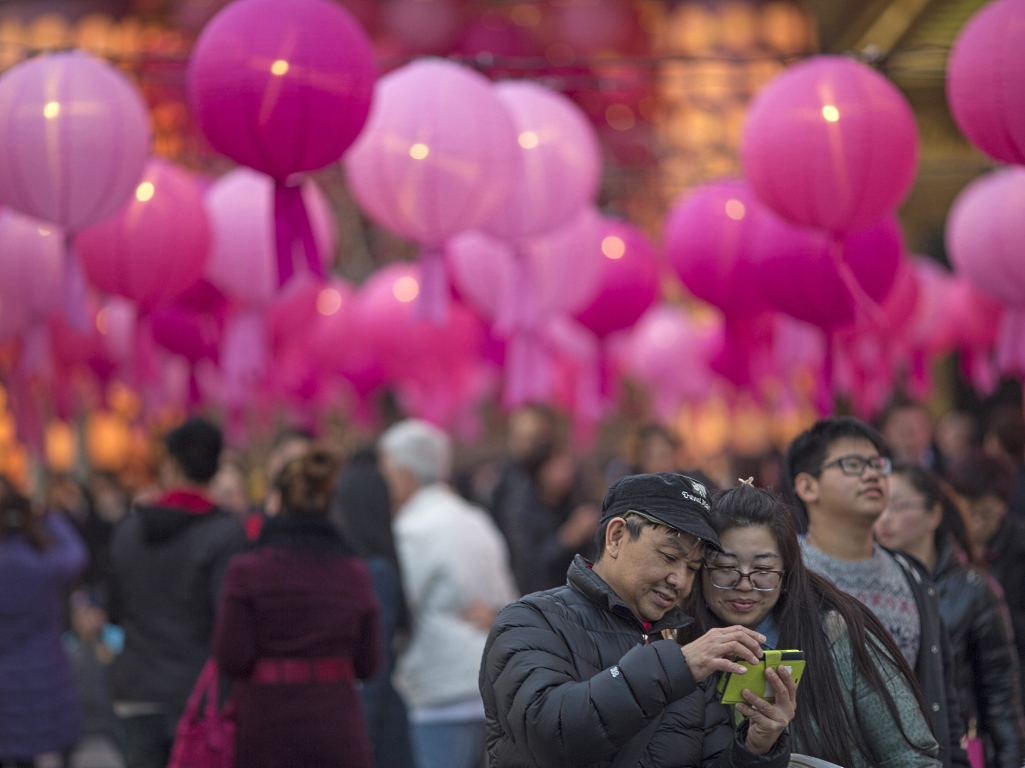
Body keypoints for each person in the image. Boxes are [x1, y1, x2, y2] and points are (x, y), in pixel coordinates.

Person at [480, 472, 795, 768]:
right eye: (670, 557)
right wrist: (675, 667)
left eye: (693, 568)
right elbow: (550, 731)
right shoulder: (530, 621)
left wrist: (757, 746)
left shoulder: (686, 650)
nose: (680, 581)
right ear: (616, 536)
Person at [687, 482, 941, 767]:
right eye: (726, 568)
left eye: (763, 570)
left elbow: (910, 755)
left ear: (787, 571)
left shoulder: (838, 631)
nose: (745, 585)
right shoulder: (681, 647)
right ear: (699, 568)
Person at [784, 416, 967, 768]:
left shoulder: (911, 575)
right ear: (807, 487)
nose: (872, 475)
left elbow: (942, 694)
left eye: (877, 464)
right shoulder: (787, 573)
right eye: (852, 464)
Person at [214, 446, 382, 768]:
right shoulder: (353, 573)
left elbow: (232, 657)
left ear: (276, 500)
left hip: (267, 726)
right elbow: (369, 663)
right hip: (337, 725)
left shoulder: (247, 571)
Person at [108, 417, 247, 768]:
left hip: (137, 689)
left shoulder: (127, 532)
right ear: (216, 467)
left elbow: (114, 610)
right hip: (199, 696)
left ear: (170, 463)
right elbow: (229, 622)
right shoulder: (227, 535)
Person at [378, 419, 517, 768]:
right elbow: (509, 601)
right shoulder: (476, 519)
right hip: (489, 683)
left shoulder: (412, 529)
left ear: (405, 474)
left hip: (439, 692)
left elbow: (399, 605)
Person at [875, 463, 1025, 768]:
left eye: (899, 506)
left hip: (958, 749)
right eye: (879, 506)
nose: (884, 518)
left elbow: (1001, 698)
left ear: (934, 514)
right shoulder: (874, 588)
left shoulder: (974, 589)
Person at [333, 447, 417, 768]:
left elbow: (374, 670)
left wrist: (359, 738)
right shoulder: (374, 567)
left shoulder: (373, 573)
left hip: (376, 726)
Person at [0, 484, 87, 768]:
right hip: (46, 664)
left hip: (6, 670)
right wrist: (49, 517)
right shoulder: (42, 563)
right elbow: (76, 553)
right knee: (53, 737)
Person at [946, 453, 1025, 703]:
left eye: (986, 513)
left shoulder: (1019, 547)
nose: (975, 523)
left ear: (1004, 505)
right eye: (968, 511)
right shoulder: (941, 546)